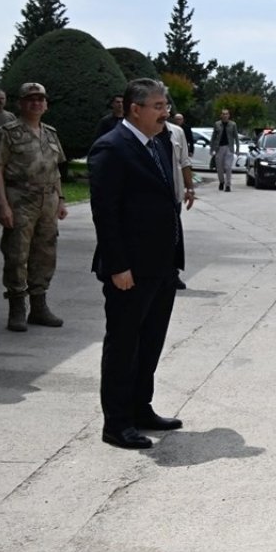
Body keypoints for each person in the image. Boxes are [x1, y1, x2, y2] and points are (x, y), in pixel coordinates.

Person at [89, 78, 186, 450]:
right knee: (124, 345)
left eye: (165, 105)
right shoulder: (111, 147)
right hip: (129, 269)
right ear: (136, 109)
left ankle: (140, 408)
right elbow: (106, 213)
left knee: (150, 343)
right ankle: (116, 423)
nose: (165, 112)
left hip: (162, 266)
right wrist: (118, 265)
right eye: (158, 106)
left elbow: (166, 202)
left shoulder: (159, 142)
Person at [0, 83, 68, 332]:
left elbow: (55, 169)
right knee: (17, 254)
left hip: (47, 201)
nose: (36, 103)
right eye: (31, 99)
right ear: (21, 103)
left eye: (40, 99)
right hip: (19, 199)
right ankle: (17, 307)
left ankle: (39, 305)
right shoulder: (8, 132)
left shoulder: (50, 133)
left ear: (46, 104)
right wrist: (2, 205)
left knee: (45, 253)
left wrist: (62, 199)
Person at [164, 118, 195, 290]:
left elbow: (184, 162)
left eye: (165, 106)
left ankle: (172, 272)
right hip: (153, 196)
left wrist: (189, 188)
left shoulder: (176, 132)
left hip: (174, 193)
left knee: (174, 235)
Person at [212, 109, 239, 192]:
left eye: (226, 114)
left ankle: (228, 185)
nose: (225, 115)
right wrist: (212, 148)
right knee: (219, 167)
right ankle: (221, 182)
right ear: (221, 115)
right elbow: (213, 137)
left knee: (228, 167)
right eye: (223, 114)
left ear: (229, 115)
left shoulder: (233, 124)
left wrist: (237, 148)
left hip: (229, 147)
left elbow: (236, 137)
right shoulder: (217, 124)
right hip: (219, 148)